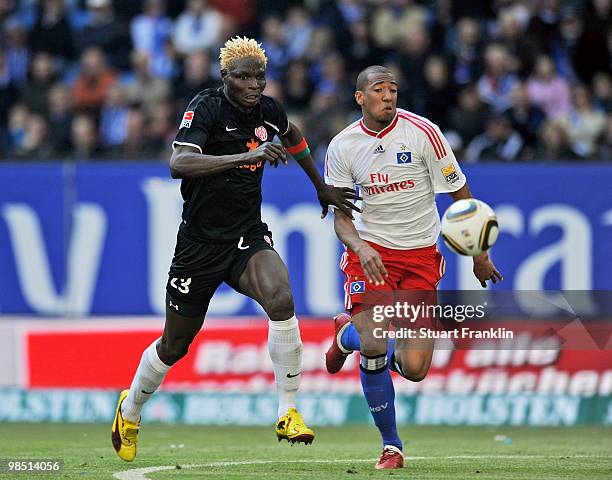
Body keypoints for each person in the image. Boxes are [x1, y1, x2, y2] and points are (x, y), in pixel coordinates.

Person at [111, 37, 359, 462]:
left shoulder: (269, 110)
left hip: (246, 235)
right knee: (175, 345)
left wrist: (321, 187)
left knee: (281, 298)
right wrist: (245, 155)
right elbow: (179, 164)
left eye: (259, 76)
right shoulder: (205, 108)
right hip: (199, 245)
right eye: (243, 76)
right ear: (225, 76)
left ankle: (288, 411)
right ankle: (130, 408)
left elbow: (294, 135)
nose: (253, 84)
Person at [323, 65, 502, 470]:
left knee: (415, 368)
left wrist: (479, 255)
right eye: (379, 90)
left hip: (421, 257)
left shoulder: (424, 133)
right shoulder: (343, 146)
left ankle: (343, 335)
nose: (388, 96)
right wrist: (358, 247)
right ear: (360, 97)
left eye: (393, 90)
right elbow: (340, 217)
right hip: (371, 254)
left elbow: (461, 195)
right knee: (376, 341)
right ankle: (392, 446)